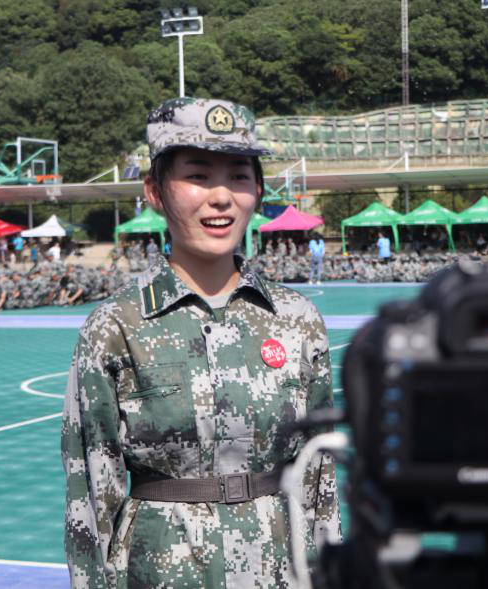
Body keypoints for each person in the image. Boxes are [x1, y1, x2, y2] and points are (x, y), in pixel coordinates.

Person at [62, 98, 340, 588]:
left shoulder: (297, 320)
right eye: (198, 176)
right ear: (155, 191)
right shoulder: (116, 326)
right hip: (161, 572)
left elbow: (318, 477)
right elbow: (91, 496)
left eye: (238, 176)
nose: (221, 197)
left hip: (281, 572)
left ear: (257, 190)